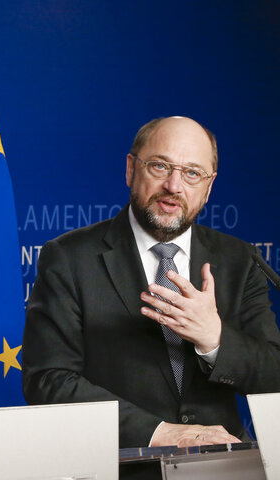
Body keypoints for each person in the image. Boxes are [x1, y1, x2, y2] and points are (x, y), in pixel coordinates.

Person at [23, 116, 280, 448]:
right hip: (123, 475)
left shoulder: (239, 259)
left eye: (191, 173)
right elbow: (48, 381)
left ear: (208, 187)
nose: (174, 186)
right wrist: (160, 433)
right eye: (160, 167)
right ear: (131, 169)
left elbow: (274, 378)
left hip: (223, 471)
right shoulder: (70, 258)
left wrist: (214, 339)